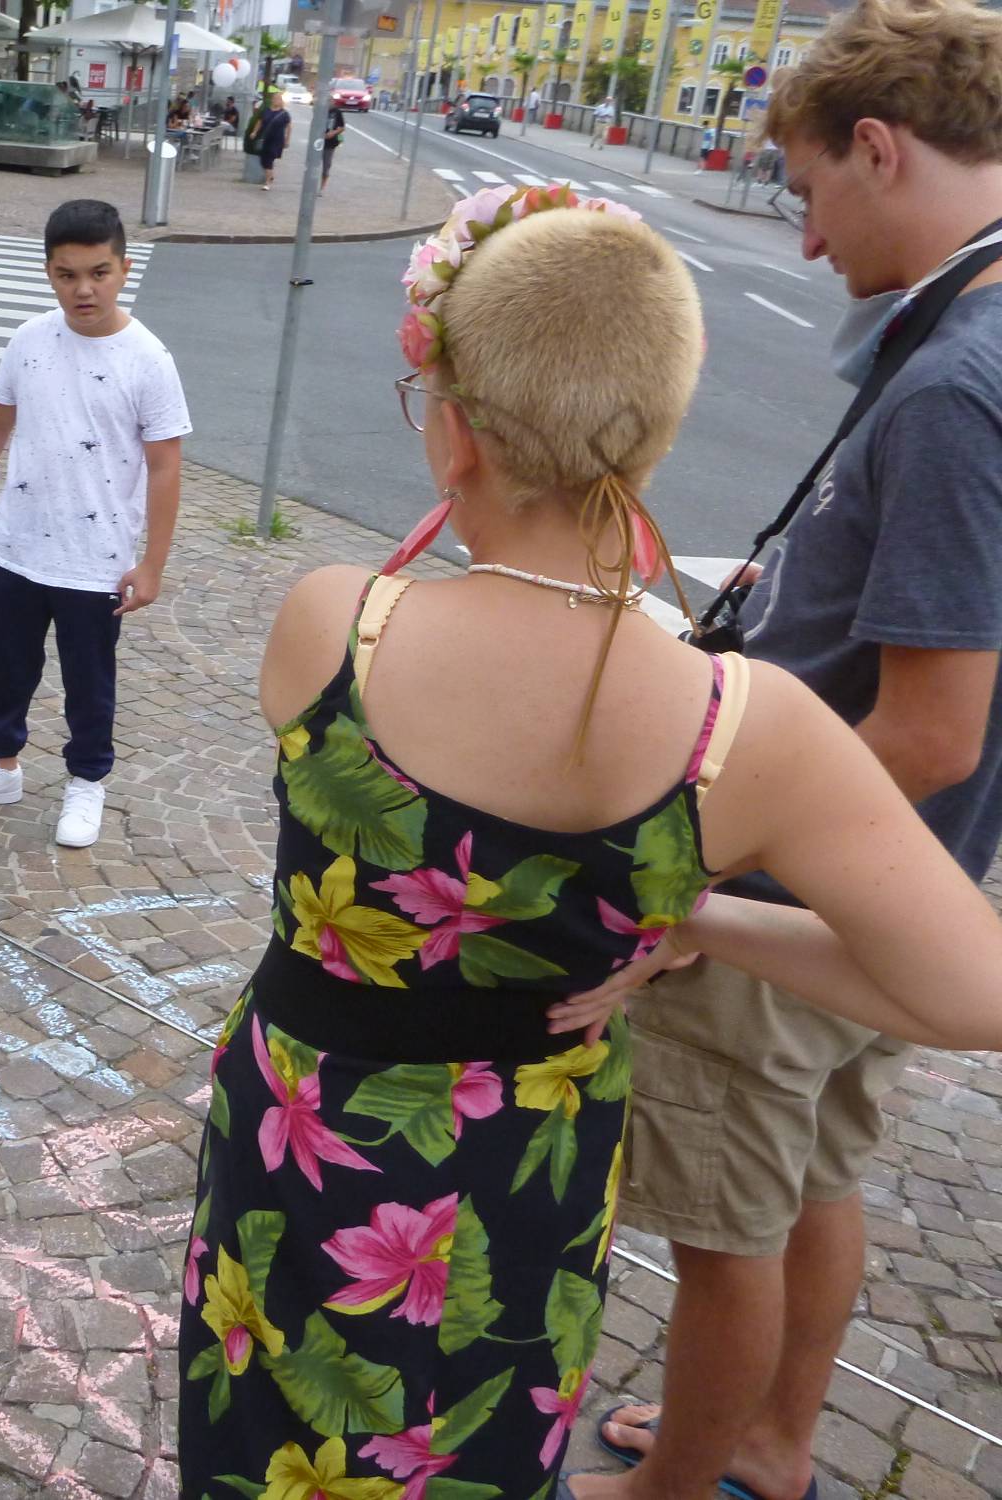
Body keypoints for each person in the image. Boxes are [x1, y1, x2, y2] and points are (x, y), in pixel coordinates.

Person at [176, 179, 1002, 1500]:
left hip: (301, 1138)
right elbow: (975, 995)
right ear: (658, 435)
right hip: (524, 1173)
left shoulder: (333, 624)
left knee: (263, 1437)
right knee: (480, 1443)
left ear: (454, 434)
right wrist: (703, 918)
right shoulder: (742, 726)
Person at [584, 3, 1002, 1499]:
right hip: (887, 885)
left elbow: (932, 729)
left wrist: (707, 869)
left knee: (725, 1222)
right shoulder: (972, 331)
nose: (809, 242)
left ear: (879, 150)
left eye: (812, 194)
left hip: (806, 889)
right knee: (818, 1177)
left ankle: (675, 1483)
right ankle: (773, 1437)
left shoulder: (959, 380)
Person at [0, 200, 190, 848]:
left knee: (89, 681)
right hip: (16, 545)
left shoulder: (148, 359)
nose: (83, 289)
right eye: (67, 274)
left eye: (99, 272)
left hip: (95, 558)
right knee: (6, 665)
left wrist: (152, 562)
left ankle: (86, 782)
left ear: (124, 268)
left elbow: (164, 465)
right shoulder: (29, 339)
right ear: (48, 272)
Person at [257, 94, 291, 190]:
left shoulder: (284, 114)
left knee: (269, 159)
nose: (276, 101)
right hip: (266, 138)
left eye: (278, 99)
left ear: (281, 101)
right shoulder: (266, 111)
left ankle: (267, 183)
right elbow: (260, 122)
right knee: (263, 160)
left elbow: (289, 127)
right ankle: (270, 175)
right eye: (274, 99)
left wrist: (287, 139)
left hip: (277, 140)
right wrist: (254, 132)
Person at [318, 101, 346, 196]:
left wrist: (333, 133)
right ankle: (312, 185)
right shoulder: (320, 110)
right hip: (317, 141)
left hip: (330, 143)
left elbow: (342, 127)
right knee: (312, 164)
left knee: (326, 166)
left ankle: (321, 188)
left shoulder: (337, 112)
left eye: (330, 101)